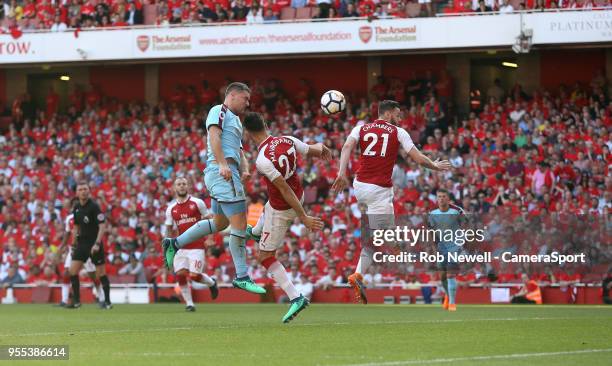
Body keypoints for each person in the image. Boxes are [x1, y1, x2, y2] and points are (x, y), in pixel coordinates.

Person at [332, 100, 452, 304]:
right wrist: (435, 166)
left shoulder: (360, 128)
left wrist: (341, 173)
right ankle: (395, 244)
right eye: (397, 114)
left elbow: (346, 147)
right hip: (379, 190)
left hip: (359, 186)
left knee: (372, 240)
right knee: (385, 238)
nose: (400, 118)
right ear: (387, 114)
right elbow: (419, 159)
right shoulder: (398, 132)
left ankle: (358, 275)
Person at [162, 82, 266, 295]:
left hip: (227, 172)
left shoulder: (236, 121)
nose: (247, 103)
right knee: (240, 224)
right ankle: (242, 276)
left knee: (219, 223)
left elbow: (238, 150)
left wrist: (244, 168)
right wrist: (222, 163)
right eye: (245, 99)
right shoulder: (218, 111)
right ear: (233, 95)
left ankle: (174, 243)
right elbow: (213, 136)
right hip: (221, 172)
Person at [242, 112, 327, 323]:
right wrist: (322, 148)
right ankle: (254, 232)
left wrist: (303, 217)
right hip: (292, 197)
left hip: (285, 207)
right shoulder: (286, 139)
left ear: (248, 133)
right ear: (265, 123)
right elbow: (312, 150)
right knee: (265, 209)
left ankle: (296, 297)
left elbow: (284, 189)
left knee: (265, 256)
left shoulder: (262, 160)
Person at [164, 177, 219, 312]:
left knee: (195, 276)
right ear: (174, 188)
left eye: (184, 184)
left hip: (197, 246)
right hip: (180, 247)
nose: (182, 186)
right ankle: (189, 304)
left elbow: (209, 220)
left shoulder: (197, 203)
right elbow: (169, 230)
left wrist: (210, 238)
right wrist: (167, 249)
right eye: (179, 184)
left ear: (188, 186)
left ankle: (211, 283)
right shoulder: (171, 209)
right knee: (181, 275)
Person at [67, 181, 111, 309]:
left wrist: (97, 243)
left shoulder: (94, 206)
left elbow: (102, 226)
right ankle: (76, 301)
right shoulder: (76, 207)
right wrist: (74, 243)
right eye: (80, 189)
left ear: (89, 191)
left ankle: (107, 301)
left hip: (94, 243)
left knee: (101, 273)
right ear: (76, 193)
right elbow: (76, 226)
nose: (83, 191)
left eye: (85, 189)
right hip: (82, 244)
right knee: (72, 271)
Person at [58, 199, 104, 307]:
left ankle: (102, 297)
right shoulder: (69, 219)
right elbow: (67, 233)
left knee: (92, 275)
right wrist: (62, 246)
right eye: (74, 205)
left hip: (86, 248)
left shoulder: (89, 216)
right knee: (67, 273)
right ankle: (65, 300)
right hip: (74, 249)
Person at [428, 189, 466, 312]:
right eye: (439, 196)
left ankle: (452, 304)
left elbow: (467, 227)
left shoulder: (457, 211)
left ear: (448, 198)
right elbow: (431, 233)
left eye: (444, 196)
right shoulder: (432, 213)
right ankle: (448, 296)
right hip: (441, 248)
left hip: (455, 246)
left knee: (450, 273)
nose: (441, 198)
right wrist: (434, 250)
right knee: (443, 275)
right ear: (437, 199)